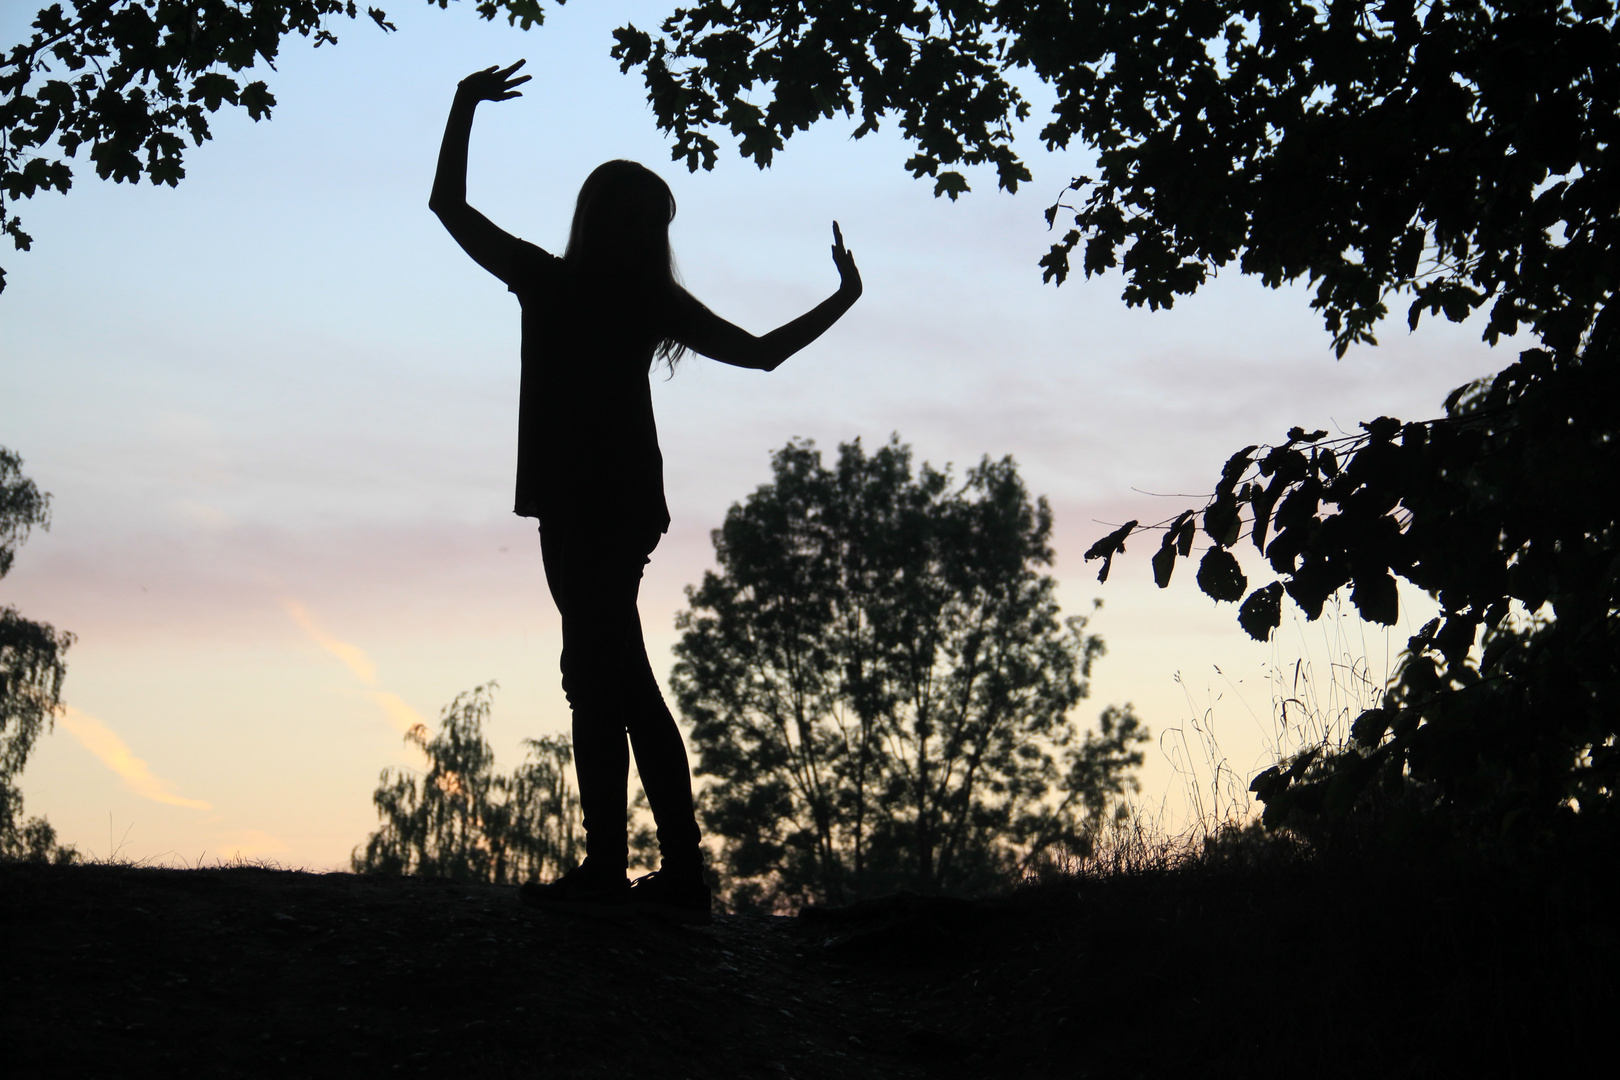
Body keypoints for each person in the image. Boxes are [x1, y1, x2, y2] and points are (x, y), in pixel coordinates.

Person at [429, 61, 862, 923]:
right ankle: (656, 871)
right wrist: (462, 105)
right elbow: (450, 209)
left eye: (651, 223)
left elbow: (763, 352)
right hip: (574, 503)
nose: (639, 233)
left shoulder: (626, 298)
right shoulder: (552, 280)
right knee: (608, 677)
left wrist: (843, 298)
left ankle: (646, 871)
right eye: (628, 219)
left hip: (611, 508)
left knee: (605, 677)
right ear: (599, 220)